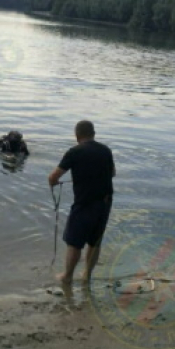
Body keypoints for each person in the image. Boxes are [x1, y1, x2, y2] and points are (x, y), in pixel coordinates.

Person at [48, 120, 115, 285]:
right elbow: (112, 173)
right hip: (105, 203)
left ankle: (67, 276)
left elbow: (53, 178)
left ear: (77, 135)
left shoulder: (74, 152)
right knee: (94, 242)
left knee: (74, 242)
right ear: (93, 134)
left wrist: (55, 183)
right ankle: (87, 275)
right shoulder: (105, 150)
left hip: (85, 203)